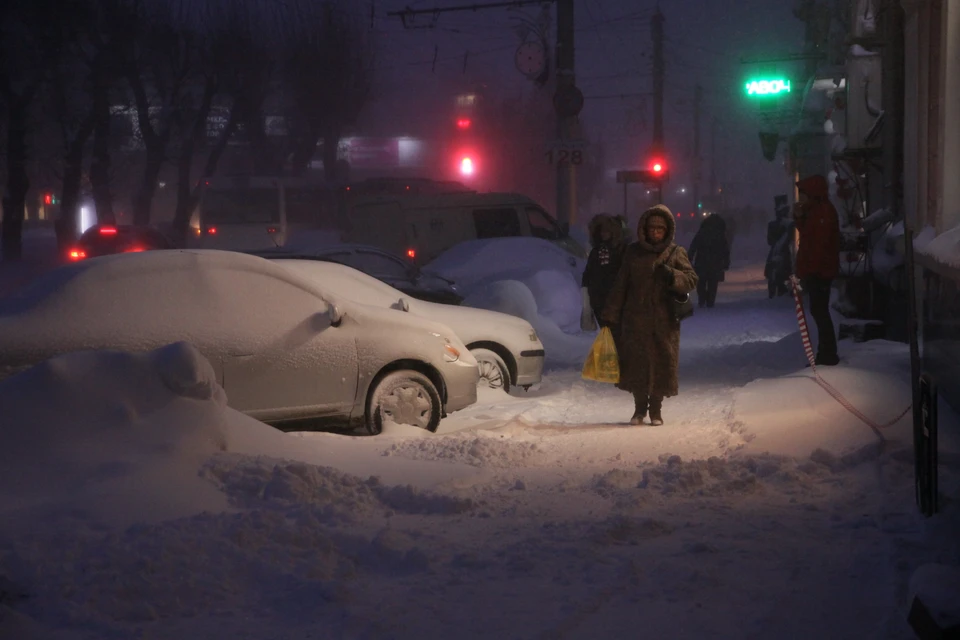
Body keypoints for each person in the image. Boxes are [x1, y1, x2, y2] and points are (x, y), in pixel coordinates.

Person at [602, 205, 698, 426]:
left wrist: (673, 276)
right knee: (637, 364)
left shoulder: (675, 253)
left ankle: (656, 410)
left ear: (667, 230)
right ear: (644, 228)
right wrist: (611, 313)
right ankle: (638, 410)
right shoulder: (633, 252)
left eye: (660, 229)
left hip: (664, 322)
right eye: (652, 228)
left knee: (661, 364)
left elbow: (692, 279)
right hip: (635, 320)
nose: (655, 232)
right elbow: (621, 284)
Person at [793, 174, 841, 366]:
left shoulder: (823, 212)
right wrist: (799, 217)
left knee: (820, 311)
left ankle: (827, 353)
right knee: (818, 311)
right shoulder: (815, 211)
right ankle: (825, 352)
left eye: (803, 194)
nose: (800, 198)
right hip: (817, 271)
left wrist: (808, 272)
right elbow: (807, 235)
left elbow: (818, 246)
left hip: (820, 272)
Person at [581, 213, 628, 328]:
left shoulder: (621, 250)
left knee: (615, 332)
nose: (603, 234)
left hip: (616, 299)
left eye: (607, 231)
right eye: (602, 231)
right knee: (606, 331)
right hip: (598, 299)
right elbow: (588, 273)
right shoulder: (596, 251)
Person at [687, 213, 730, 308]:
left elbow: (693, 246)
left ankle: (702, 299)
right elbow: (725, 250)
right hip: (715, 262)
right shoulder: (720, 234)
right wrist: (726, 262)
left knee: (701, 282)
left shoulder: (701, 232)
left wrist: (689, 258)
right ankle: (710, 301)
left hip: (701, 261)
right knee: (713, 283)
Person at [765, 199, 794, 298]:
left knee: (776, 275)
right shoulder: (789, 225)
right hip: (783, 253)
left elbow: (770, 241)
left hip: (778, 252)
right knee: (785, 274)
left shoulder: (773, 225)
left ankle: (776, 294)